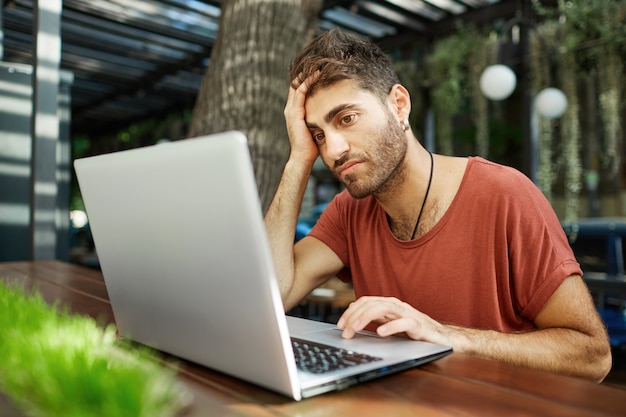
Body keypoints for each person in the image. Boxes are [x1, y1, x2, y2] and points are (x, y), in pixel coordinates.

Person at [264, 29, 611, 382]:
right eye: (319, 135)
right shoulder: (349, 211)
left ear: (398, 105)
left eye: (347, 119)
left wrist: (448, 337)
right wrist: (298, 160)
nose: (333, 150)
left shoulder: (504, 194)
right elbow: (273, 295)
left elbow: (592, 357)